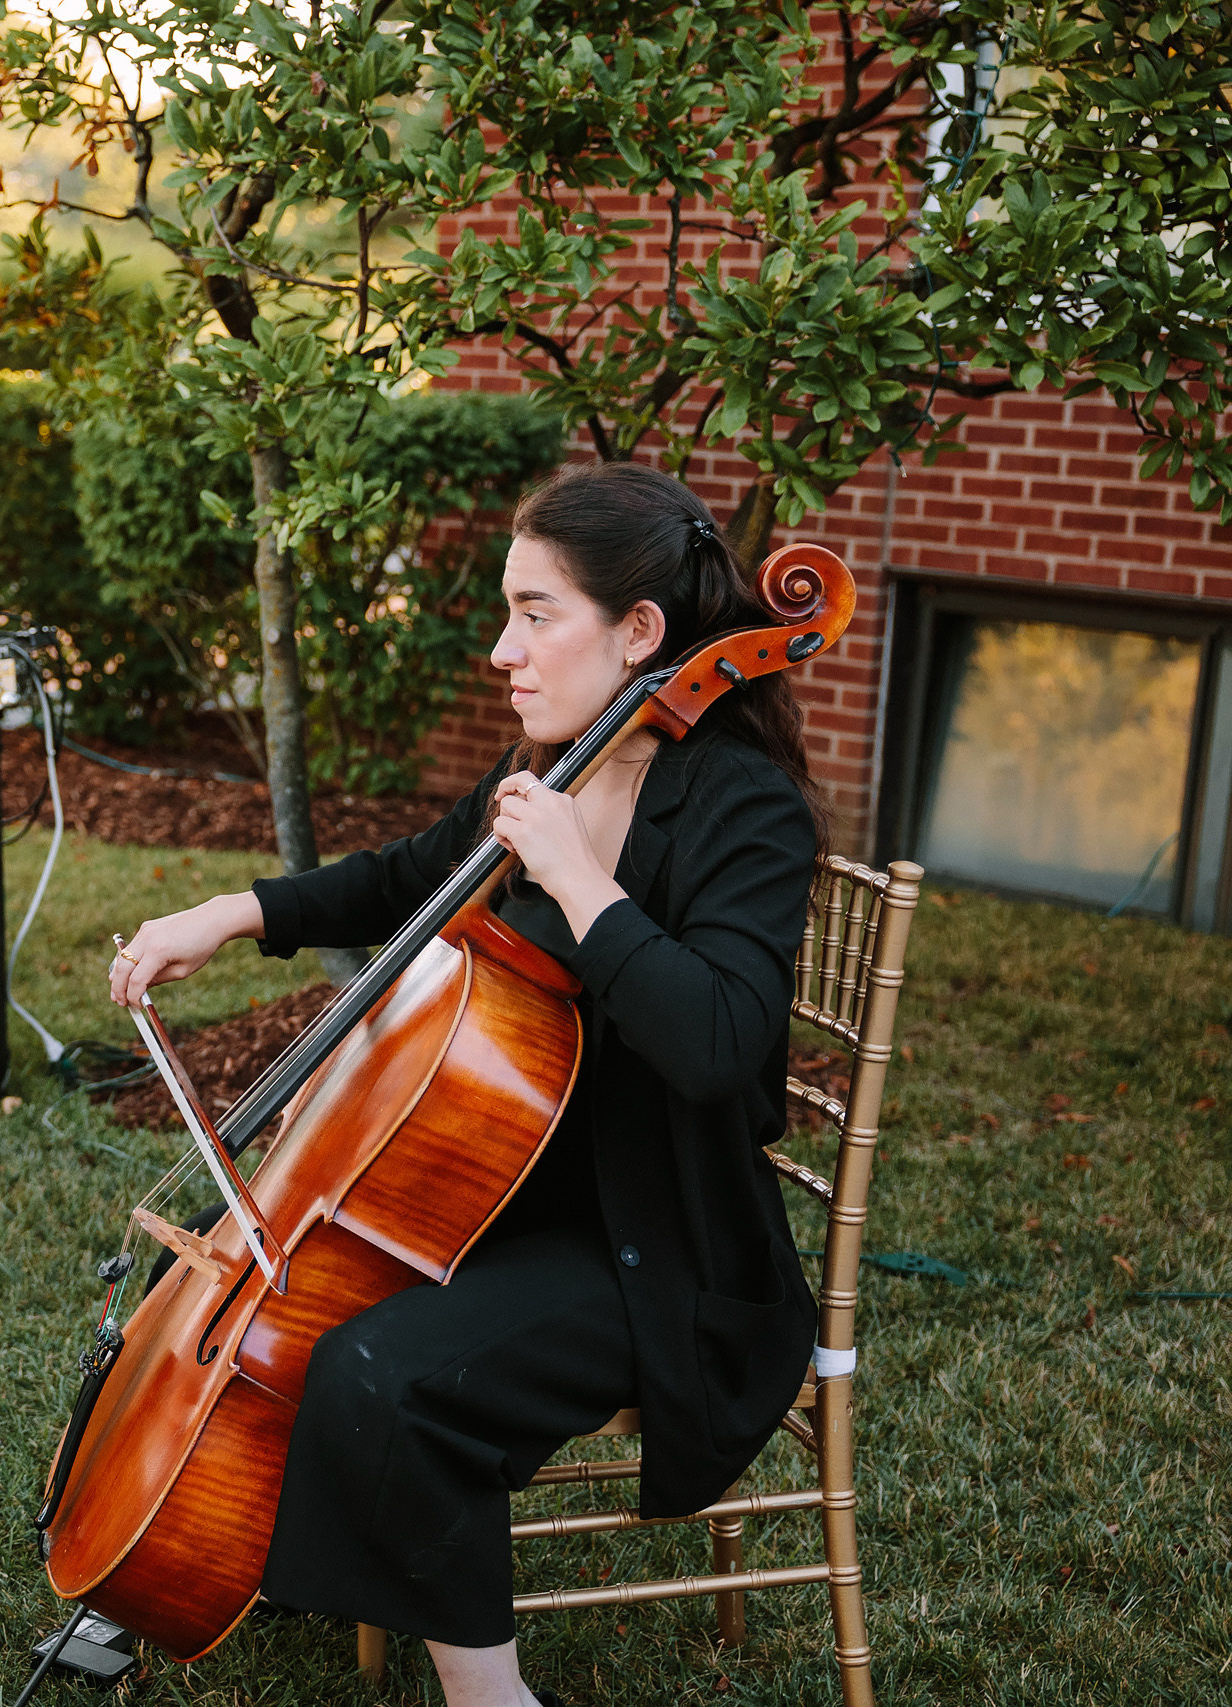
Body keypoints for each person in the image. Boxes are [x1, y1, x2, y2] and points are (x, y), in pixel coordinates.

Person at [107, 461, 823, 1707]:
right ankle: (236, 1552)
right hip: (512, 1210)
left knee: (386, 1378)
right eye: (509, 610)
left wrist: (581, 882)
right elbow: (406, 878)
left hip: (661, 1249)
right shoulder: (550, 768)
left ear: (640, 632)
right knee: (269, 1307)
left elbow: (719, 1040)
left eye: (536, 613)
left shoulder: (743, 811)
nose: (504, 648)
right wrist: (226, 913)